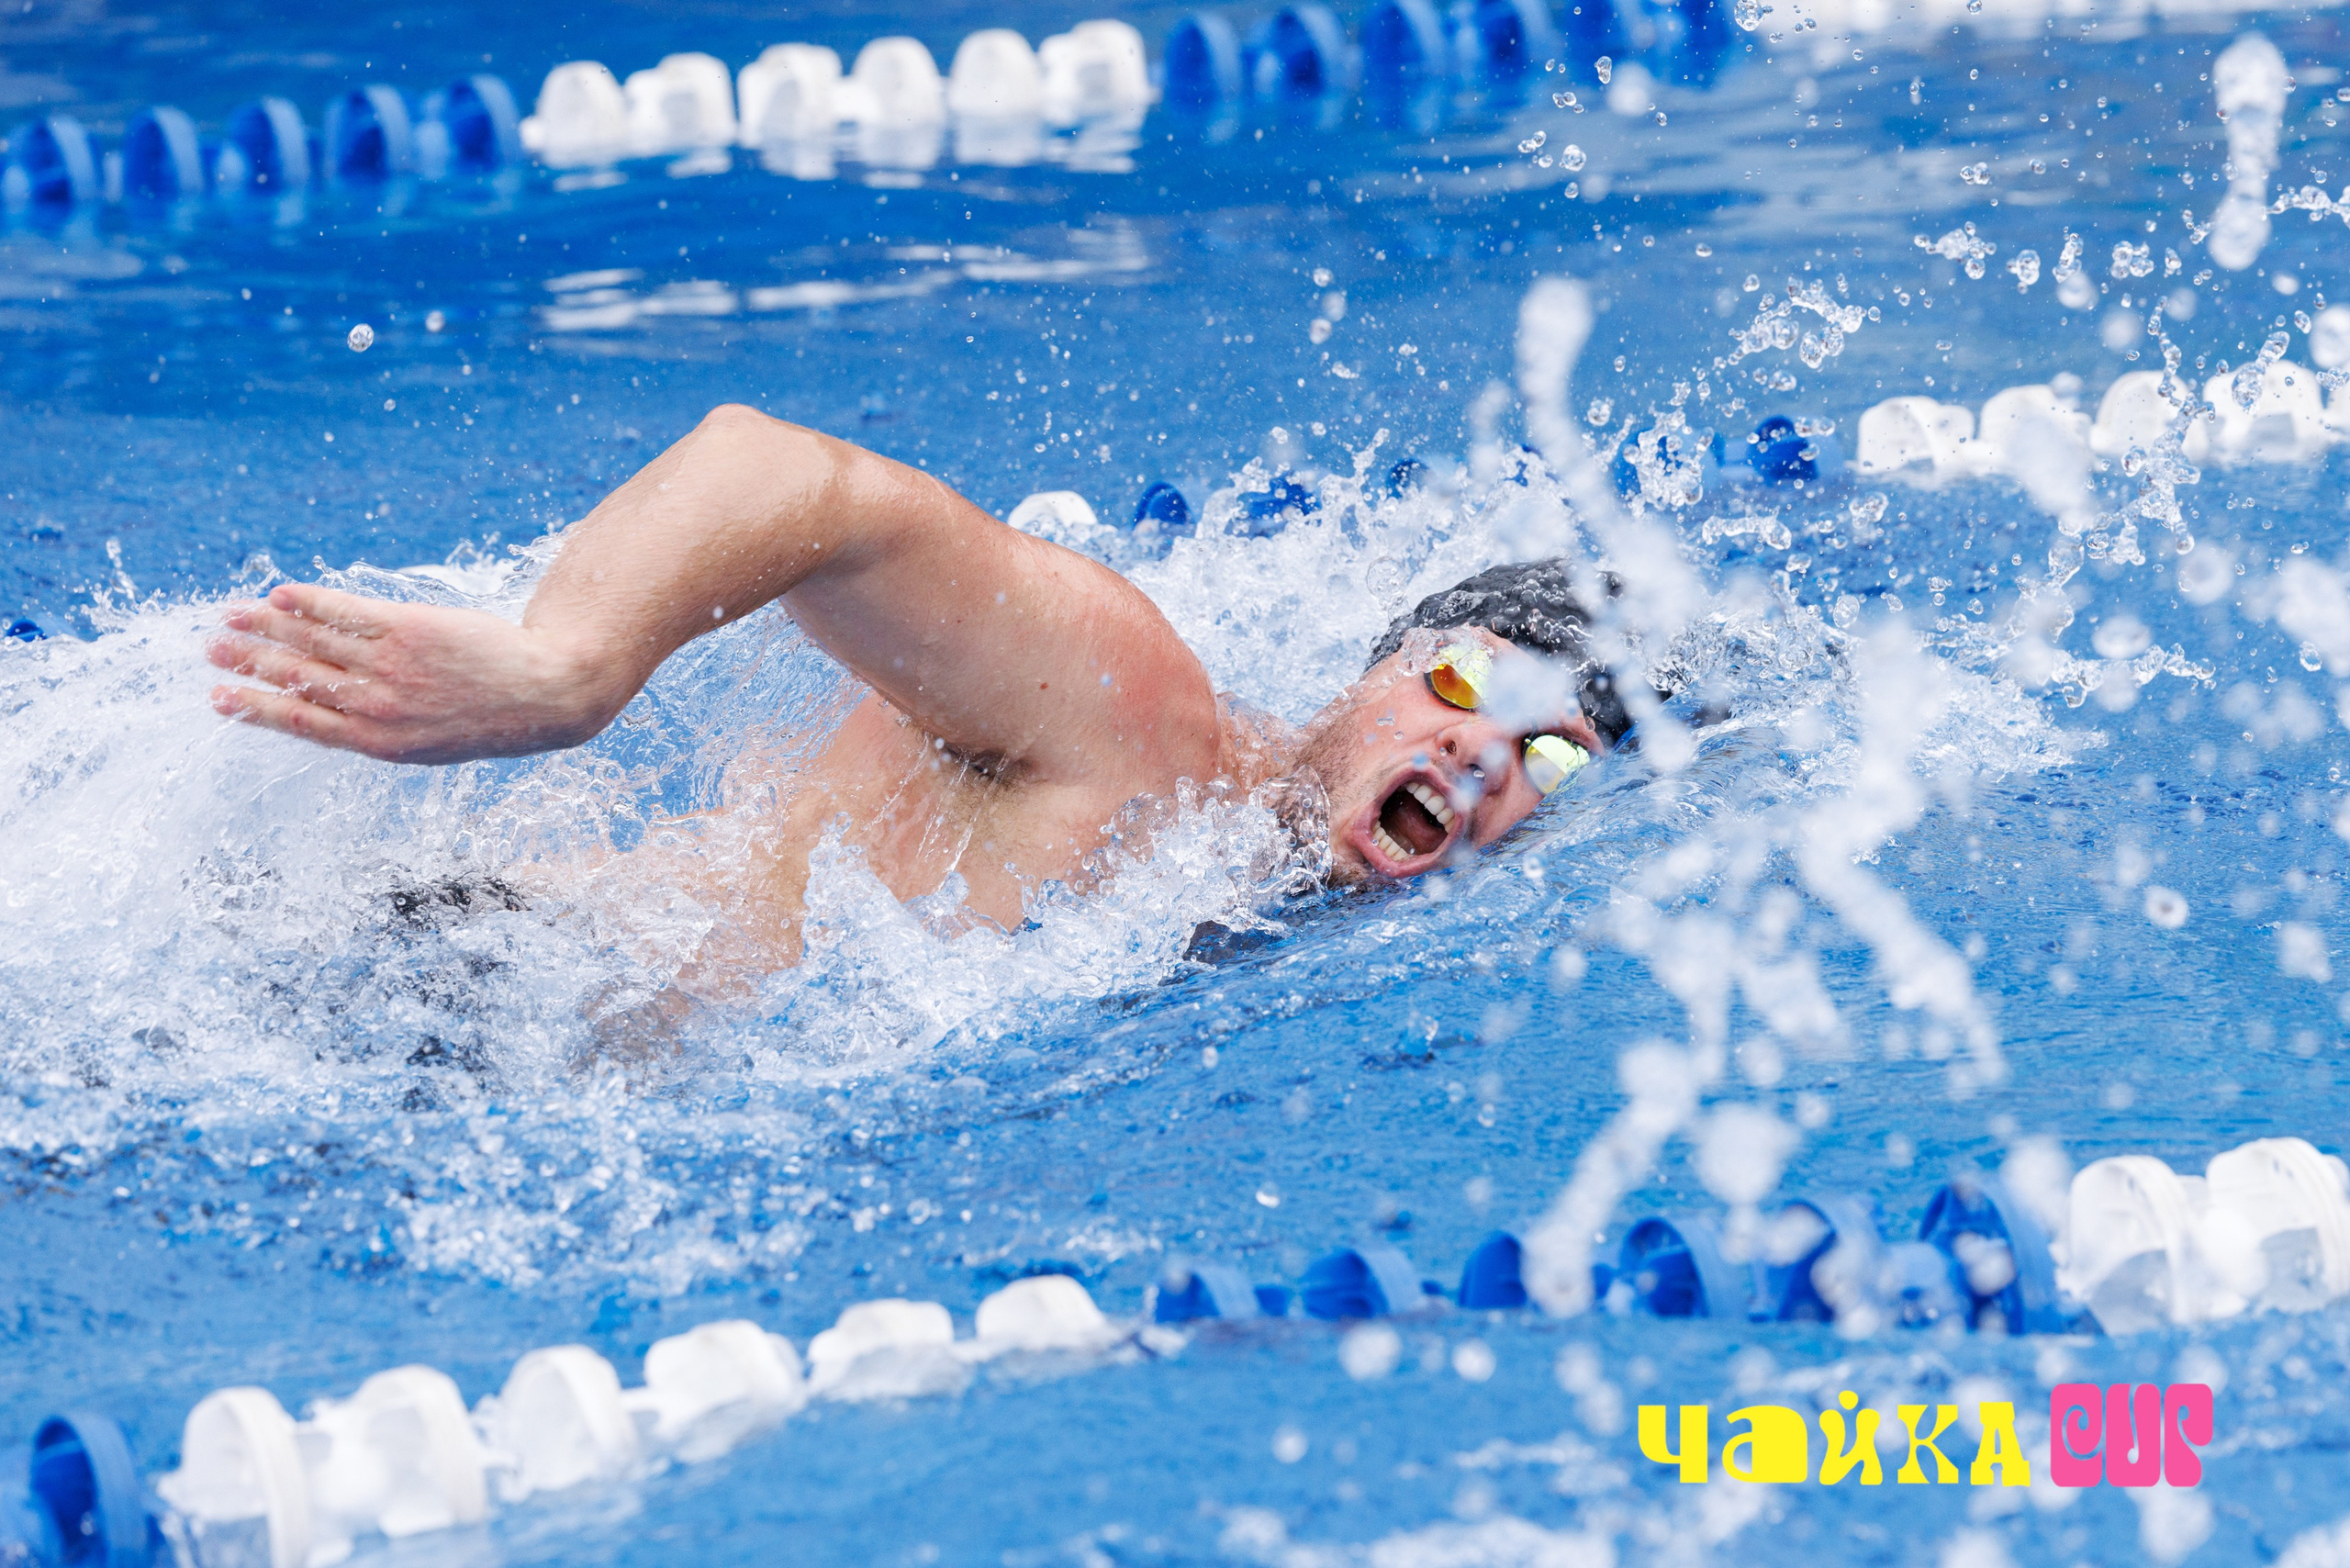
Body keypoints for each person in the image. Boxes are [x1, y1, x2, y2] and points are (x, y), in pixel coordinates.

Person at [207, 406, 1627, 965]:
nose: (1486, 755)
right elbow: (796, 479)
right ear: (1376, 669)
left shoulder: (1248, 890)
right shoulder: (1143, 724)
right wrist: (568, 670)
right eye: (1464, 687)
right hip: (455, 978)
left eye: (1550, 756)